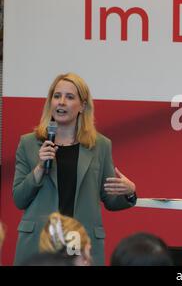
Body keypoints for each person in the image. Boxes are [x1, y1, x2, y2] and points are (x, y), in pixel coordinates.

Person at [13, 73, 137, 265]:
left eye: (69, 97)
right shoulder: (29, 143)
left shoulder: (100, 145)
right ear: (50, 102)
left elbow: (110, 200)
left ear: (83, 106)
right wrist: (39, 168)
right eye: (57, 96)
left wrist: (129, 192)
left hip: (80, 241)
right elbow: (19, 199)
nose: (61, 102)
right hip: (41, 240)